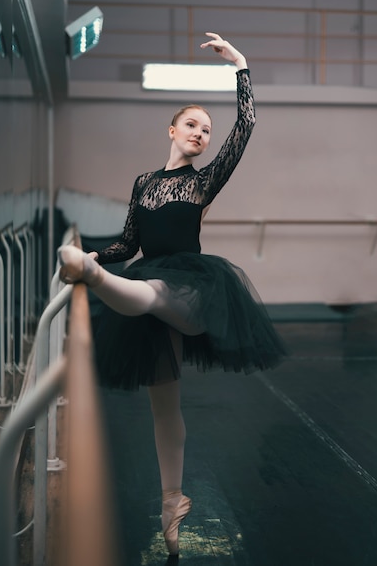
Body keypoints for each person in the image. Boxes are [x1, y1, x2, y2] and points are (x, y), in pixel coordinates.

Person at [58, 32, 286, 557]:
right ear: (172, 129)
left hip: (192, 289)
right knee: (165, 404)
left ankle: (91, 281)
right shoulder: (143, 183)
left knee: (156, 292)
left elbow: (246, 127)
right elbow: (129, 240)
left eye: (207, 131)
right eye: (193, 125)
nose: (202, 135)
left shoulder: (204, 183)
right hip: (144, 276)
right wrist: (99, 254)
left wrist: (241, 66)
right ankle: (172, 502)